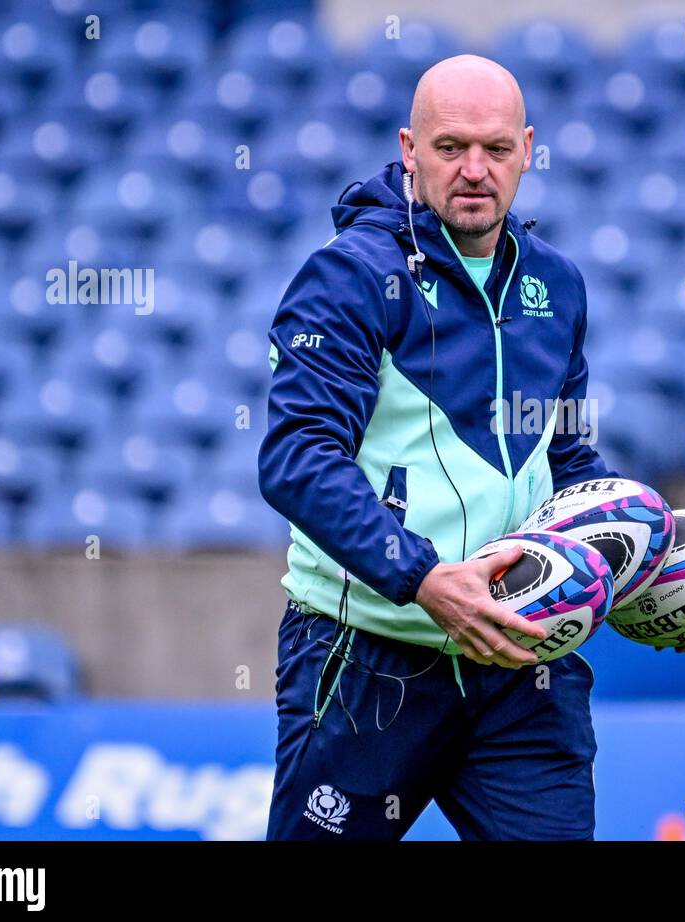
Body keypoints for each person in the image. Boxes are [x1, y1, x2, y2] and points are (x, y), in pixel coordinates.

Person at [258, 54, 620, 840]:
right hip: (366, 662)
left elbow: (572, 463)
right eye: (451, 147)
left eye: (495, 148)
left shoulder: (556, 286)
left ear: (528, 148)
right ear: (408, 149)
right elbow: (296, 457)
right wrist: (422, 577)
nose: (475, 170)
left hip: (522, 664)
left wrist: (652, 560)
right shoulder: (349, 276)